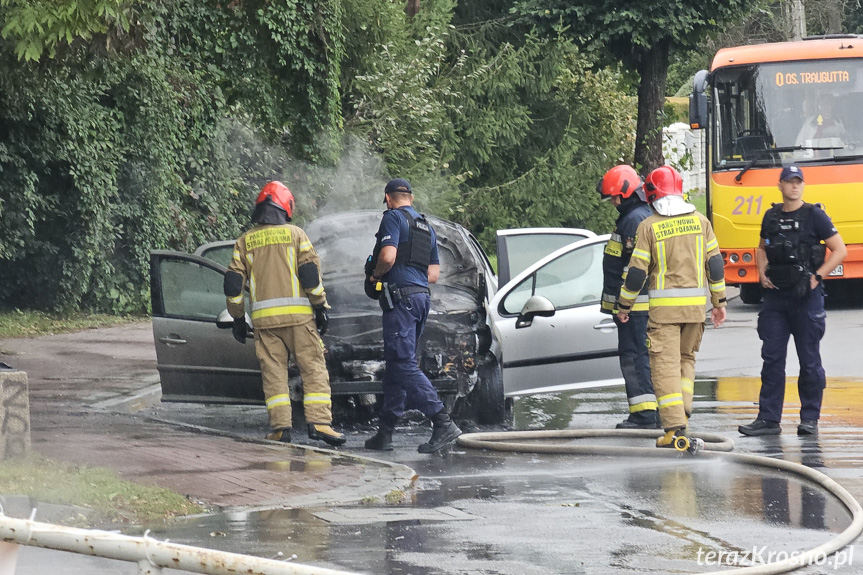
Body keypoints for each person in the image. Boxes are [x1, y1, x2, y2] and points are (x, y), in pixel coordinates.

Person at [224, 181, 346, 447]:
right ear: (286, 207)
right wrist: (320, 305)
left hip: (264, 323)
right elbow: (310, 275)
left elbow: (233, 283)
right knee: (313, 368)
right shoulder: (296, 234)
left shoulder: (245, 241)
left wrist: (236, 317)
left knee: (274, 373)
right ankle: (320, 424)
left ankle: (280, 428)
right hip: (300, 321)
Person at [616, 166, 727, 448]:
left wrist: (624, 305)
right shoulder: (701, 222)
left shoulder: (649, 226)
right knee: (686, 359)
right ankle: (685, 406)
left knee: (664, 368)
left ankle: (675, 429)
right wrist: (719, 302)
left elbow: (637, 273)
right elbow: (714, 265)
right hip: (694, 311)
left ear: (652, 195)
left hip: (664, 314)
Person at [739, 165, 847, 436]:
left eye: (798, 182)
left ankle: (809, 419)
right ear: (780, 185)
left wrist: (818, 277)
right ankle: (768, 419)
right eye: (789, 182)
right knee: (772, 359)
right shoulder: (771, 216)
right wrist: (761, 272)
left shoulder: (815, 215)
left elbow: (840, 249)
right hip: (776, 298)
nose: (794, 186)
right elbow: (761, 248)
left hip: (806, 298)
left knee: (809, 361)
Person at [364, 178, 462, 453]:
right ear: (412, 197)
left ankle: (442, 422)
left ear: (387, 197)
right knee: (398, 365)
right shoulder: (425, 226)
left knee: (403, 362)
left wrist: (375, 275)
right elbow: (433, 275)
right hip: (421, 299)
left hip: (401, 299)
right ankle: (385, 433)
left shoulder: (393, 218)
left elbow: (387, 256)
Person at [596, 165, 658, 429]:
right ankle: (650, 413)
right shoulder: (636, 216)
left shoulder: (633, 220)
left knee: (635, 358)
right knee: (640, 357)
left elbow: (633, 270)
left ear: (625, 192)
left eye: (614, 197)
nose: (612, 202)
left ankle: (645, 415)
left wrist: (623, 305)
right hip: (633, 307)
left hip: (633, 308)